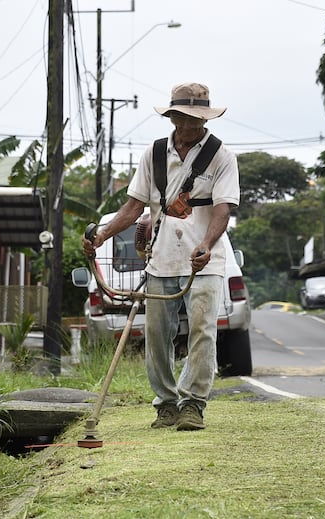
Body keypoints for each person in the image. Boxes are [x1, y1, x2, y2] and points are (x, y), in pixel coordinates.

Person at [82, 82, 240, 431]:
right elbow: (132, 207)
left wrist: (208, 244)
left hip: (205, 260)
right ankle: (166, 404)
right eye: (183, 118)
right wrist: (102, 235)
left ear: (204, 120)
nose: (189, 126)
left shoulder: (222, 156)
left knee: (203, 331)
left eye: (196, 119)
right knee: (156, 335)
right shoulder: (153, 155)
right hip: (162, 259)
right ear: (173, 118)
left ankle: (193, 404)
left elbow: (223, 209)